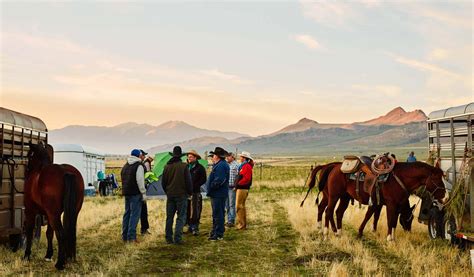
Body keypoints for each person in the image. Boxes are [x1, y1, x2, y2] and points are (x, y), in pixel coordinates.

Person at [162, 146, 192, 244]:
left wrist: (168, 191)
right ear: (181, 156)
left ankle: (168, 238)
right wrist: (189, 193)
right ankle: (178, 238)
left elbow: (163, 183)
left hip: (170, 195)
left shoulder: (167, 166)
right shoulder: (184, 166)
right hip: (181, 195)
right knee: (181, 217)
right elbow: (188, 182)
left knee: (169, 217)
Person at [121, 149, 147, 243]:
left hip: (126, 192)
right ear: (138, 156)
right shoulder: (138, 166)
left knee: (127, 214)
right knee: (134, 215)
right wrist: (143, 193)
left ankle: (124, 236)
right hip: (135, 193)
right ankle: (131, 237)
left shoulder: (125, 165)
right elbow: (140, 181)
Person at [206, 147, 230, 241]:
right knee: (218, 213)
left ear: (218, 156)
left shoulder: (221, 166)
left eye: (214, 155)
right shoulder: (220, 164)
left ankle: (218, 234)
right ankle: (216, 232)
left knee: (218, 214)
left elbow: (219, 180)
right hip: (218, 194)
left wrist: (211, 187)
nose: (212, 157)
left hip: (218, 194)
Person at [186, 150, 207, 236]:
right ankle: (189, 227)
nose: (189, 158)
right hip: (187, 192)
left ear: (195, 158)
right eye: (188, 157)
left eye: (191, 157)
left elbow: (203, 179)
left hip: (195, 192)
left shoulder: (200, 167)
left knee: (196, 210)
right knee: (187, 210)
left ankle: (195, 227)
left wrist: (195, 185)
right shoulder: (186, 167)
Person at [235, 151, 254, 230]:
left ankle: (242, 224)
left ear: (244, 158)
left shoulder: (246, 166)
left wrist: (238, 184)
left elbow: (246, 179)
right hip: (241, 188)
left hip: (243, 188)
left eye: (241, 157)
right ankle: (242, 224)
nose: (240, 158)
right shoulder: (244, 166)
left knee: (239, 206)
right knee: (241, 206)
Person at [139, 150, 152, 235]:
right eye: (143, 155)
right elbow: (146, 176)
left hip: (133, 192)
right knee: (143, 211)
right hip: (141, 191)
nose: (144, 156)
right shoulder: (144, 165)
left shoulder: (129, 165)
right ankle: (144, 229)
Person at [225, 152, 239, 227]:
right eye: (226, 157)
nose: (227, 158)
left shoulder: (236, 165)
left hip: (232, 187)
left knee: (231, 204)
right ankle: (228, 219)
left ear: (232, 157)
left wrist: (236, 186)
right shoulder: (227, 165)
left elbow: (238, 176)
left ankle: (232, 220)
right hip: (226, 187)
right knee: (226, 204)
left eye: (228, 157)